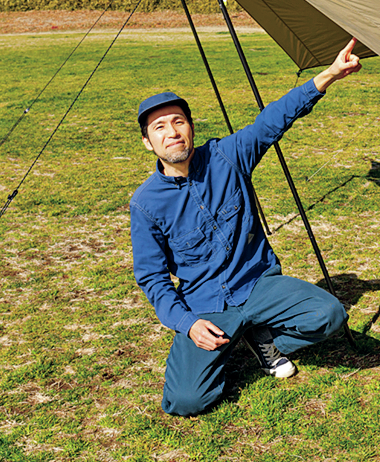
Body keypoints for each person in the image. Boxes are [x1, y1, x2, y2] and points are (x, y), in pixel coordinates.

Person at [131, 38, 362, 417]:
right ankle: (241, 337)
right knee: (189, 401)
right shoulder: (145, 203)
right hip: (206, 304)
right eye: (159, 127)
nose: (172, 132)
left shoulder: (226, 155)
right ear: (147, 142)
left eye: (178, 121)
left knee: (330, 315)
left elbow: (274, 119)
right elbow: (153, 279)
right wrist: (188, 324)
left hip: (257, 284)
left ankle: (265, 339)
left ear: (190, 127)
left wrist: (330, 74)